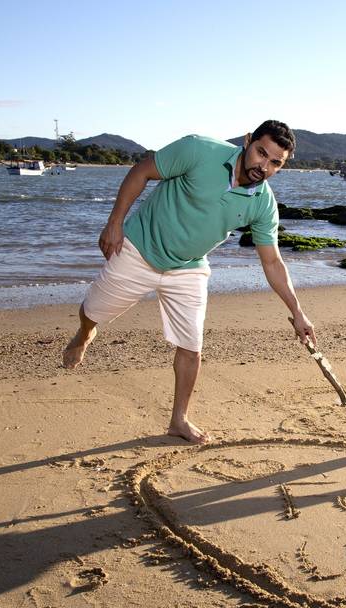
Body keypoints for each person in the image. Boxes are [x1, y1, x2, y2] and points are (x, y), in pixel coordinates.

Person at [63, 120, 316, 444]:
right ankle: (84, 336)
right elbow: (141, 172)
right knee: (92, 312)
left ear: (282, 166)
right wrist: (115, 222)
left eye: (274, 163)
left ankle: (178, 420)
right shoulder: (199, 150)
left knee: (191, 347)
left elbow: (272, 261)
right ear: (248, 140)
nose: (263, 165)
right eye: (260, 153)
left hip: (188, 268)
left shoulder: (263, 203)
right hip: (140, 248)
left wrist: (297, 311)